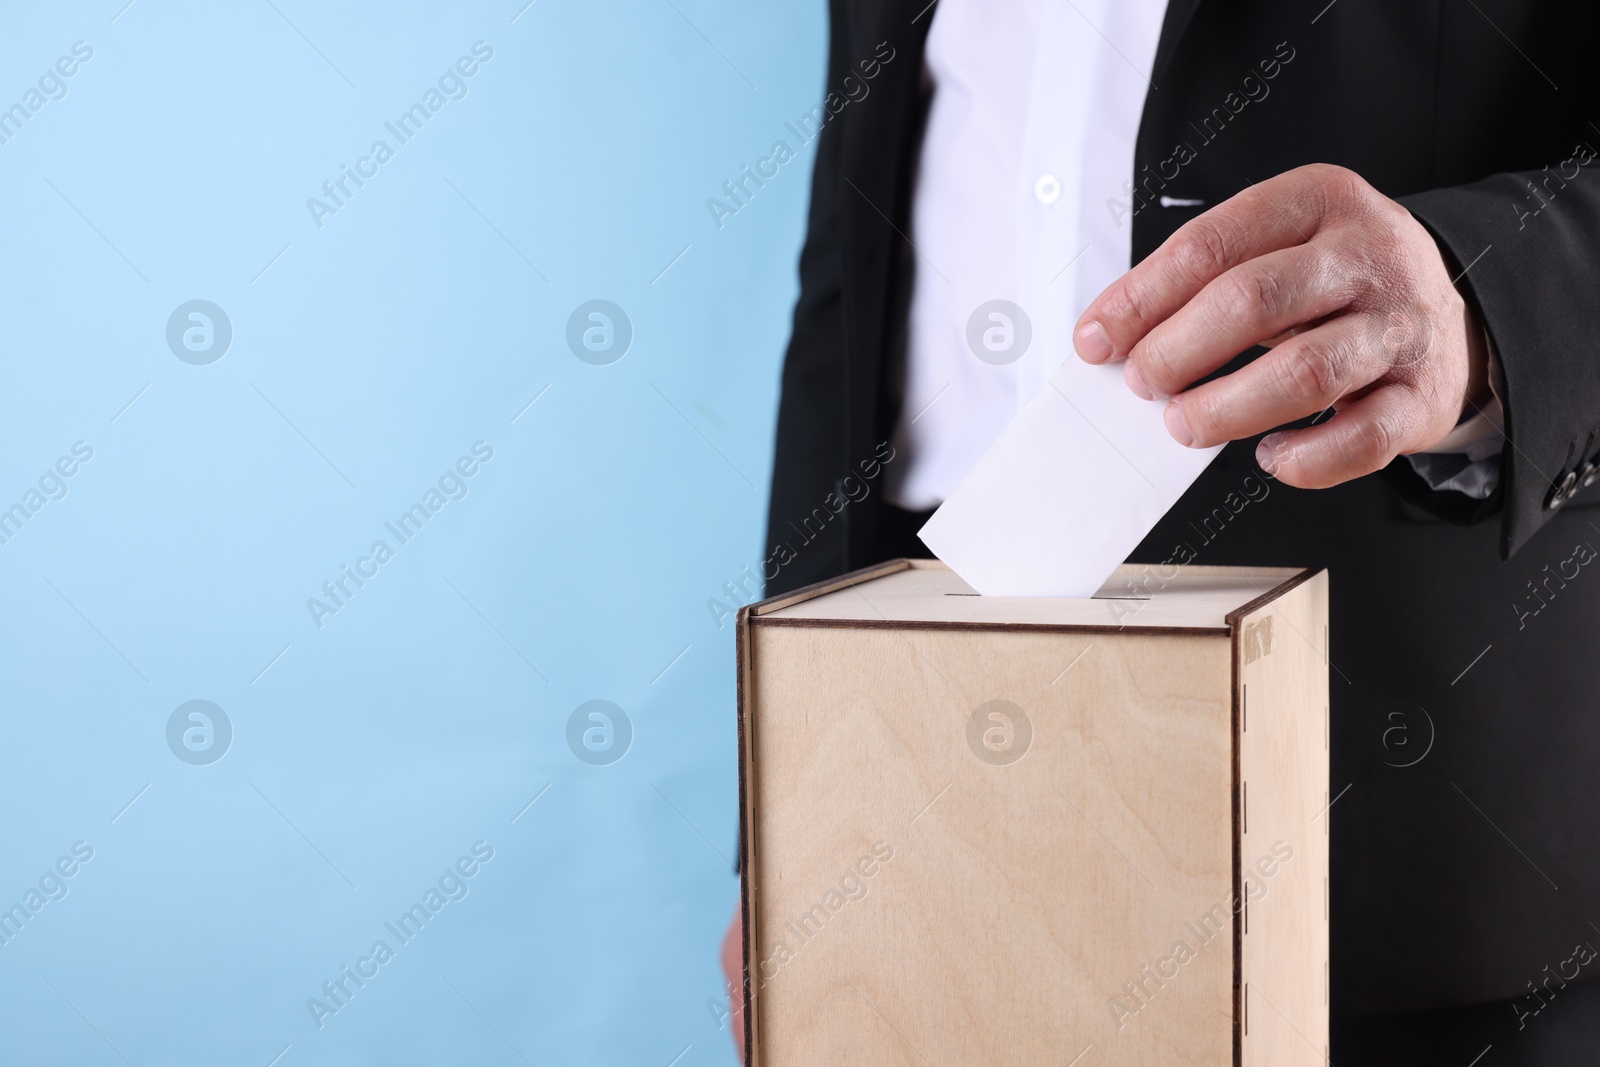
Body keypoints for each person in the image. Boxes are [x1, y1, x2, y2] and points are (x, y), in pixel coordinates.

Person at [725, 1, 1600, 1062]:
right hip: (920, 790)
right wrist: (784, 819)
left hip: (1397, 822)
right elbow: (851, 276)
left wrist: (1478, 305)